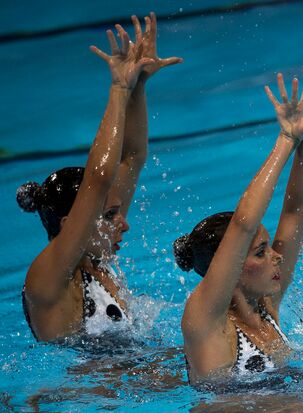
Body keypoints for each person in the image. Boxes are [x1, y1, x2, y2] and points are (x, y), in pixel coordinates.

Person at [173, 68, 303, 384]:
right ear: (228, 266)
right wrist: (286, 137)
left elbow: (296, 212)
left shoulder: (265, 307)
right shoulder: (207, 323)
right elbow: (244, 225)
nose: (277, 256)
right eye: (260, 252)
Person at [16, 13, 182, 342]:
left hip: (120, 384)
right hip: (83, 393)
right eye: (108, 215)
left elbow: (131, 157)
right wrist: (119, 87)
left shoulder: (94, 257)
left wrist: (138, 85)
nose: (124, 223)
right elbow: (99, 177)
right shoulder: (49, 277)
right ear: (69, 223)